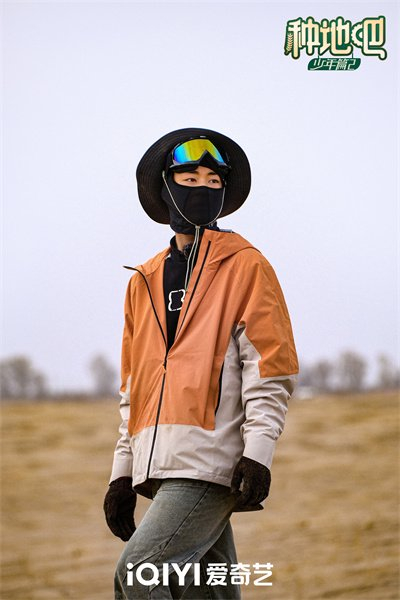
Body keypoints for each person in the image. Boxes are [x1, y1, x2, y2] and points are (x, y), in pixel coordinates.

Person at [103, 127, 299, 599]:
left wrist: (258, 454)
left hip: (214, 462)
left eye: (214, 181)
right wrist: (121, 473)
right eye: (190, 178)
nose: (203, 188)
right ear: (165, 187)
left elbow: (269, 370)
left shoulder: (246, 265)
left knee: (139, 573)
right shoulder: (143, 281)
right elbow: (134, 387)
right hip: (160, 464)